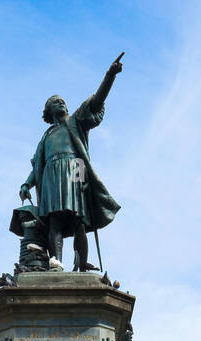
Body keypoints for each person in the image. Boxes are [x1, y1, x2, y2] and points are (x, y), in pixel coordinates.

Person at [20, 54, 124, 271]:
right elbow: (37, 165)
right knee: (55, 220)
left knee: (79, 220)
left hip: (75, 170)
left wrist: (110, 76)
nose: (62, 102)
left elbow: (96, 101)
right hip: (50, 178)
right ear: (48, 111)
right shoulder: (47, 136)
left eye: (63, 100)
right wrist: (26, 184)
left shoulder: (75, 121)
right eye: (56, 102)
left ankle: (82, 263)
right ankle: (56, 261)